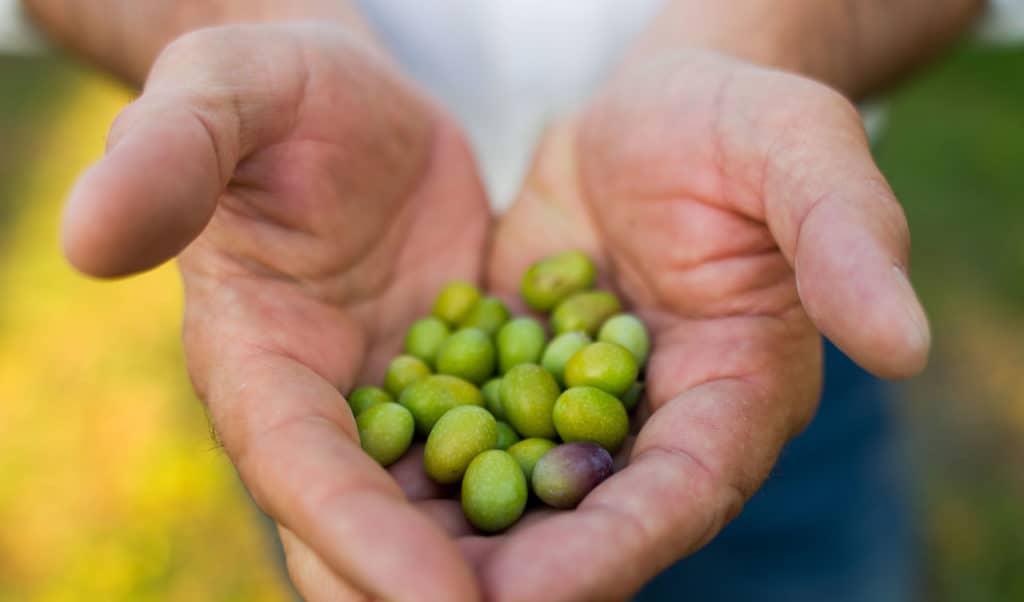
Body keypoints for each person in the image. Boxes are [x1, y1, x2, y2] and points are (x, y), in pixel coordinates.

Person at [4, 1, 1017, 600]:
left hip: (741, 292)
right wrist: (235, 21)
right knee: (374, 543)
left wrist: (763, 40)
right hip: (319, 323)